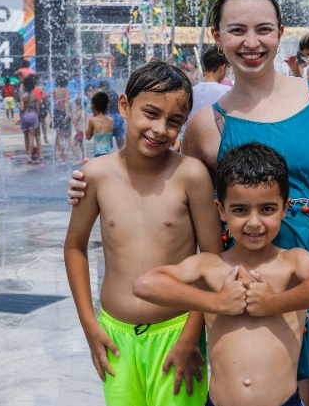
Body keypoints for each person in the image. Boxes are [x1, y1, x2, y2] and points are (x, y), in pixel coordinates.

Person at [69, 0, 309, 405]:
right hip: (261, 307)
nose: (251, 42)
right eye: (237, 30)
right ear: (217, 37)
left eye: (263, 29)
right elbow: (169, 188)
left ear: (280, 33)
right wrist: (93, 176)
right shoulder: (205, 126)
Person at [134, 142, 309, 406]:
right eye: (240, 210)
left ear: (285, 208)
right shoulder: (210, 266)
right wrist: (217, 302)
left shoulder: (291, 262)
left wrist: (273, 303)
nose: (254, 222)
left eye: (267, 209)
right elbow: (145, 284)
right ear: (221, 210)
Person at [64, 59, 222, 405]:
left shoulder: (191, 175)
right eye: (150, 113)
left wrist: (191, 337)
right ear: (125, 106)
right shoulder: (96, 175)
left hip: (176, 334)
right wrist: (90, 325)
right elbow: (74, 247)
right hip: (114, 337)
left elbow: (212, 260)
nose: (160, 129)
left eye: (174, 121)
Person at [19, 75, 41, 164]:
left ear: (24, 86)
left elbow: (22, 108)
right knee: (31, 136)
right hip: (33, 115)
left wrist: (19, 106)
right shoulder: (36, 97)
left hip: (25, 116)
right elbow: (38, 109)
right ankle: (30, 155)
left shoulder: (22, 97)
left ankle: (27, 153)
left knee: (26, 137)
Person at [86, 91, 114, 158]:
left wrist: (88, 120)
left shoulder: (93, 120)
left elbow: (88, 137)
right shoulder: (110, 120)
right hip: (109, 154)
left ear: (93, 106)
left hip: (99, 155)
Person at [52, 75, 72, 162]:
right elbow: (66, 102)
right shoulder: (67, 90)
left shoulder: (55, 91)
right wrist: (67, 113)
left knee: (58, 133)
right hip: (64, 112)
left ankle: (60, 152)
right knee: (67, 134)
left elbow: (54, 101)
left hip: (56, 112)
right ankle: (66, 152)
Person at [70, 96, 86, 163]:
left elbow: (74, 119)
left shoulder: (80, 112)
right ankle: (84, 158)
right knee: (82, 145)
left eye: (75, 104)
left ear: (78, 105)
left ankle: (77, 159)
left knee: (73, 144)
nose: (74, 106)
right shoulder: (83, 111)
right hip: (82, 131)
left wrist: (72, 112)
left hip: (80, 131)